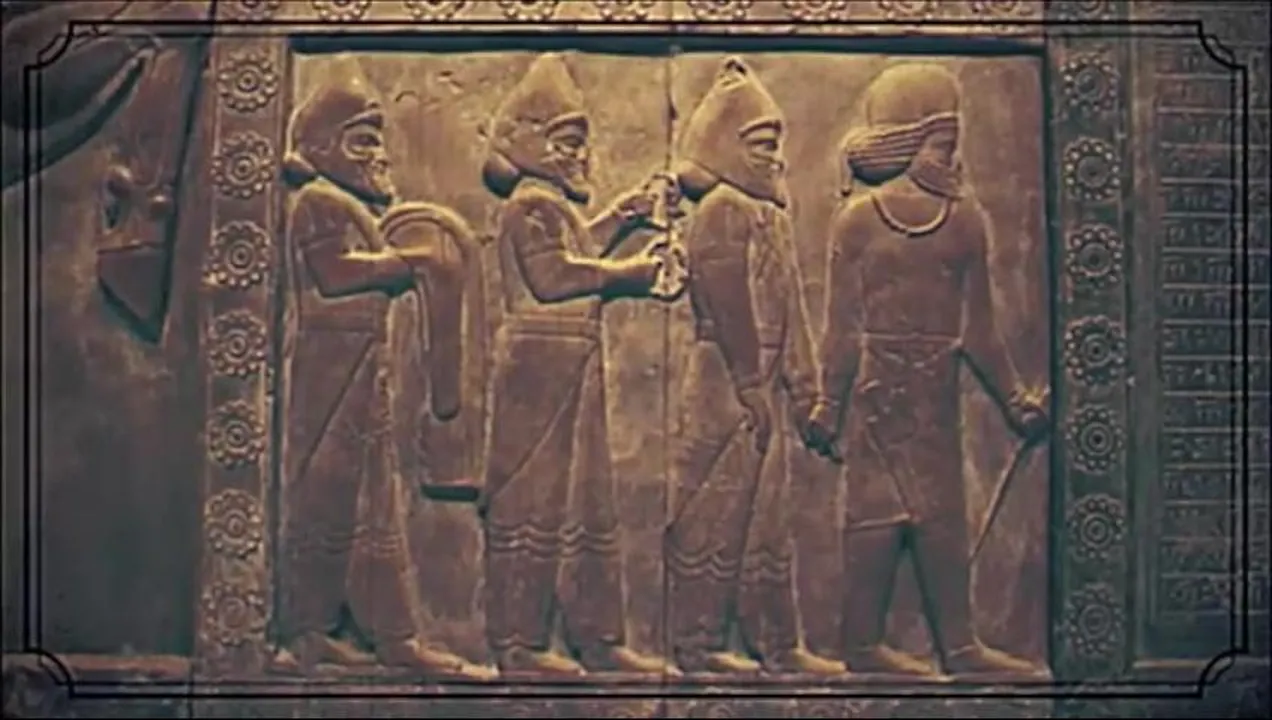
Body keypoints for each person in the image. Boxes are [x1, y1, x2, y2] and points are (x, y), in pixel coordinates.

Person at [805, 62, 1049, 678]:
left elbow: (980, 331)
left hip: (935, 392)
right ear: (904, 142)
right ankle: (861, 644)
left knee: (941, 515)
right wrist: (828, 405)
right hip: (878, 393)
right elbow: (841, 329)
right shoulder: (857, 220)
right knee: (876, 512)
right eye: (942, 145)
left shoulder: (966, 221)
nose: (953, 159)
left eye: (955, 145)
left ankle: (959, 648)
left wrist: (1014, 401)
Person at [274, 60, 489, 679]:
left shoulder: (347, 205)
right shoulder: (318, 202)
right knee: (325, 497)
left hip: (362, 366)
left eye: (378, 141)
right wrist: (408, 263)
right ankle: (306, 631)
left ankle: (390, 633)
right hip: (328, 370)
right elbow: (334, 274)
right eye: (362, 141)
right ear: (322, 147)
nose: (378, 155)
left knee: (374, 504)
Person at [478, 53, 680, 677]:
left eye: (581, 143)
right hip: (539, 369)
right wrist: (631, 275)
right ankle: (519, 642)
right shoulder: (527, 206)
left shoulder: (550, 205)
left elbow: (576, 248)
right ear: (530, 143)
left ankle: (596, 636)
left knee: (586, 503)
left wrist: (626, 215)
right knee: (534, 501)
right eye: (567, 143)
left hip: (573, 360)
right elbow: (554, 276)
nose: (581, 156)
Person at [664, 56, 845, 677]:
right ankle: (696, 641)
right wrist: (748, 384)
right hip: (725, 380)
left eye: (776, 144)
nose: (775, 157)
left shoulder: (770, 215)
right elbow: (728, 300)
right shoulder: (722, 209)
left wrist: (807, 393)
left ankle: (775, 639)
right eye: (761, 144)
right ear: (725, 146)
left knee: (767, 518)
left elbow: (790, 310)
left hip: (760, 384)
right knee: (713, 510)